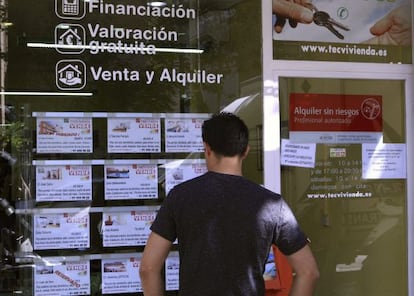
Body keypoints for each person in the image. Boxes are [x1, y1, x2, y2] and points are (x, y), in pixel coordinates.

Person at [139, 112, 319, 296]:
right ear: (246, 151)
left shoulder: (180, 196)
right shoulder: (272, 204)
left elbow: (148, 268)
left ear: (206, 149)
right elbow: (308, 272)